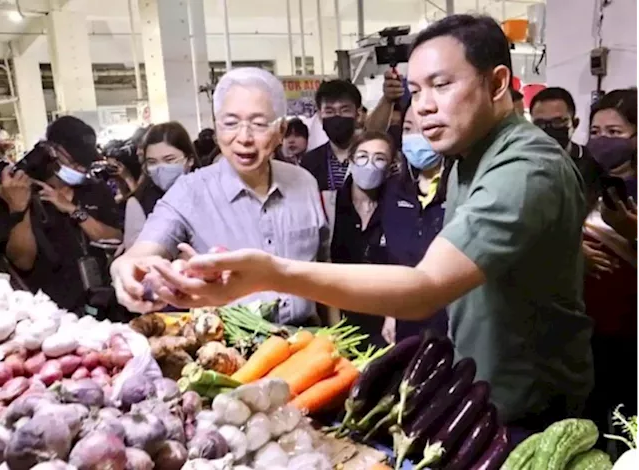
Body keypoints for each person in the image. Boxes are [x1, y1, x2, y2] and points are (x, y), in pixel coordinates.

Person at [148, 15, 594, 438]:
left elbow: (425, 287)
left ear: (497, 83)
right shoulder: (468, 158)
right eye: (415, 91)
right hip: (482, 388)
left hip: (532, 402)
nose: (424, 107)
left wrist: (271, 273)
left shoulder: (524, 168)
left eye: (442, 85)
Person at [110, 67, 330, 326]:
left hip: (309, 340)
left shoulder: (303, 183)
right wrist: (125, 270)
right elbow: (142, 251)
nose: (244, 138)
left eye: (259, 124)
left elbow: (323, 267)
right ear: (216, 128)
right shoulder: (189, 191)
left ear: (281, 130)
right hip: (228, 348)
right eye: (231, 123)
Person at [0, 116, 122, 312]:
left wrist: (73, 210)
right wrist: (19, 208)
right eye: (74, 162)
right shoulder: (20, 192)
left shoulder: (96, 190)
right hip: (48, 311)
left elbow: (116, 238)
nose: (81, 169)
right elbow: (22, 261)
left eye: (86, 163)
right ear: (51, 152)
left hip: (102, 301)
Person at [581, 88, 638, 447]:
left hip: (632, 332)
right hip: (583, 330)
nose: (603, 141)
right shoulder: (577, 181)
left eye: (615, 133)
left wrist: (632, 232)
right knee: (586, 429)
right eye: (596, 132)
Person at [382, 103, 451, 342]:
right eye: (408, 128)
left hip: (451, 316)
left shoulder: (461, 188)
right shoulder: (395, 190)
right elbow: (394, 261)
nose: (414, 137)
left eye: (423, 129)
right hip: (407, 314)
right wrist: (391, 312)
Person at [331, 130, 395, 346]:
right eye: (362, 156)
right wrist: (333, 326)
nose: (369, 164)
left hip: (384, 323)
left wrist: (393, 314)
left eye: (379, 159)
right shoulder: (330, 205)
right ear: (351, 160)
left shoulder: (398, 209)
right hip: (338, 320)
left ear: (389, 168)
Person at [123, 122, 200, 250]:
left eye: (169, 160)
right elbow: (137, 255)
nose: (160, 168)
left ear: (189, 160)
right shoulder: (139, 202)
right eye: (152, 162)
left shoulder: (210, 193)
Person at [530, 87, 603, 208]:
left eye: (558, 122)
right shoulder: (522, 163)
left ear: (575, 124)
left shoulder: (592, 165)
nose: (548, 128)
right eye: (539, 123)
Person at [300, 79, 363, 192]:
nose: (337, 116)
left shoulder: (371, 158)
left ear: (357, 114)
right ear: (320, 116)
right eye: (329, 111)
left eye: (345, 110)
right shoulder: (309, 162)